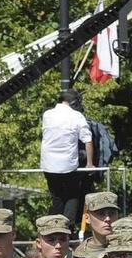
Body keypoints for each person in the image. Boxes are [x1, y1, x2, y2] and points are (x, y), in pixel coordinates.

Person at [40, 89, 95, 225]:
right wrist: (89, 163)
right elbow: (87, 140)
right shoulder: (76, 116)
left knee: (57, 197)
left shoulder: (47, 115)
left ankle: (54, 227)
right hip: (68, 165)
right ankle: (67, 227)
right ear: (74, 103)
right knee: (72, 195)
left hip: (48, 165)